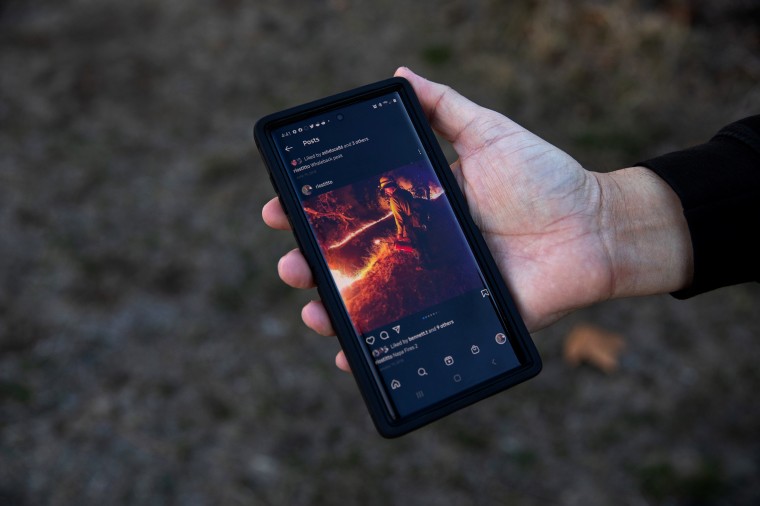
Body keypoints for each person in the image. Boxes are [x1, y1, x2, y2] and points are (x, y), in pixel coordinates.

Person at [262, 66, 760, 373]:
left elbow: (412, 210)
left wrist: (606, 219)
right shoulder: (412, 213)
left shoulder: (422, 206)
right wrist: (606, 219)